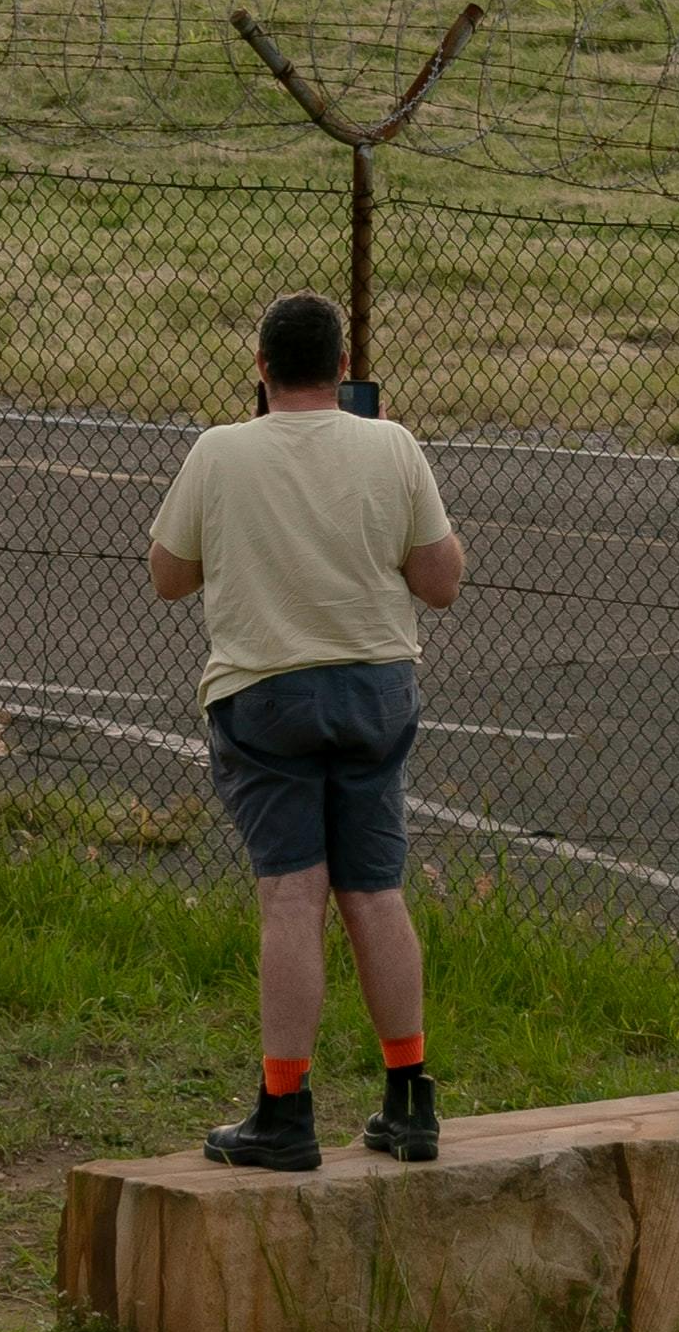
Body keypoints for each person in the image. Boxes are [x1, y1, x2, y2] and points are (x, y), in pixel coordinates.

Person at [149, 290, 467, 1174]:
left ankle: (285, 1105)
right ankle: (410, 1097)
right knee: (375, 890)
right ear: (342, 371)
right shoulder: (391, 444)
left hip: (267, 692)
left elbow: (169, 575)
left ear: (260, 368)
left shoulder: (220, 452)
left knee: (293, 894)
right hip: (374, 687)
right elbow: (440, 581)